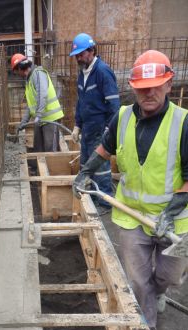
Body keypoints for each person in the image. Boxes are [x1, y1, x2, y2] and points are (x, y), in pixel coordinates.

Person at [73, 50, 188, 329]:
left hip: (176, 218)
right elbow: (105, 147)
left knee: (171, 275)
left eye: (155, 87)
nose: (148, 94)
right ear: (134, 89)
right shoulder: (123, 117)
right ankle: (146, 324)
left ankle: (159, 293)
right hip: (133, 216)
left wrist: (170, 212)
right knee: (137, 278)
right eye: (142, 89)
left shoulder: (184, 123)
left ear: (169, 85)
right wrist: (86, 171)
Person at [69, 33, 120, 208]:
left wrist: (109, 129)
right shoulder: (83, 73)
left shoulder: (102, 72)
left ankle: (104, 201)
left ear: (91, 51)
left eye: (81, 54)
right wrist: (77, 125)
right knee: (86, 165)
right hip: (88, 129)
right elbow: (81, 102)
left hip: (100, 129)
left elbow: (114, 104)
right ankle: (90, 197)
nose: (78, 58)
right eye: (77, 55)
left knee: (101, 167)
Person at [11, 53, 64, 152]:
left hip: (50, 118)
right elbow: (30, 106)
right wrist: (24, 122)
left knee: (50, 149)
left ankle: (51, 167)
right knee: (39, 148)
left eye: (16, 72)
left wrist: (38, 115)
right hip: (40, 120)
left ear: (20, 68)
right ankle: (38, 167)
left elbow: (42, 95)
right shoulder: (29, 80)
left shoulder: (38, 74)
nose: (17, 74)